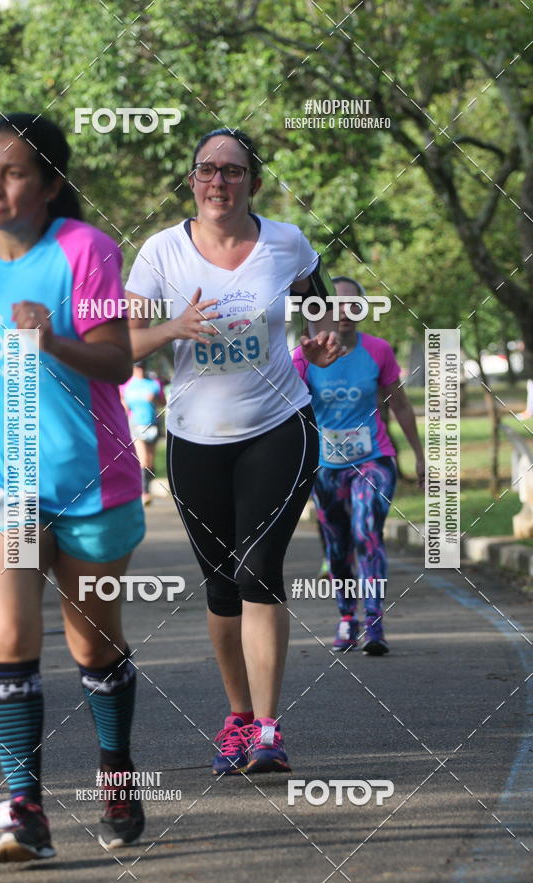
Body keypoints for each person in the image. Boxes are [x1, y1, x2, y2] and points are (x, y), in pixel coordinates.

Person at [0, 113, 146, 862]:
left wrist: (51, 338)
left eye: (16, 171)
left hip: (89, 481)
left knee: (93, 646)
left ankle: (116, 771)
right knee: (11, 635)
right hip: (3, 482)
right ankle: (26, 810)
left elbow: (118, 361)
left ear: (52, 185)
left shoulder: (84, 252)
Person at [125, 127, 341, 776]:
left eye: (233, 171)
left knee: (257, 572)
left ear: (254, 182)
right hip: (195, 441)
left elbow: (317, 299)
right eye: (206, 170)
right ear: (192, 180)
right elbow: (123, 345)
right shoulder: (161, 252)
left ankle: (270, 729)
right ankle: (239, 718)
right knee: (221, 587)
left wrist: (322, 332)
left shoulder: (284, 241)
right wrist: (175, 327)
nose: (218, 181)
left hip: (280, 426)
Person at [293, 276, 425, 655]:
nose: (344, 311)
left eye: (353, 304)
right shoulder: (303, 355)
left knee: (367, 530)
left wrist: (418, 455)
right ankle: (346, 616)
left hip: (374, 459)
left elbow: (398, 404)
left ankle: (374, 620)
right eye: (334, 304)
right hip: (326, 466)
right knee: (338, 544)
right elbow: (286, 410)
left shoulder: (379, 351)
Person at [121, 361, 162, 505]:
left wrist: (154, 398)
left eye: (142, 367)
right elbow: (122, 404)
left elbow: (162, 401)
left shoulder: (153, 383)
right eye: (137, 367)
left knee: (150, 460)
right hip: (136, 424)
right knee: (143, 459)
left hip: (152, 423)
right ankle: (143, 492)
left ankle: (148, 489)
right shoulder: (126, 385)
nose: (140, 370)